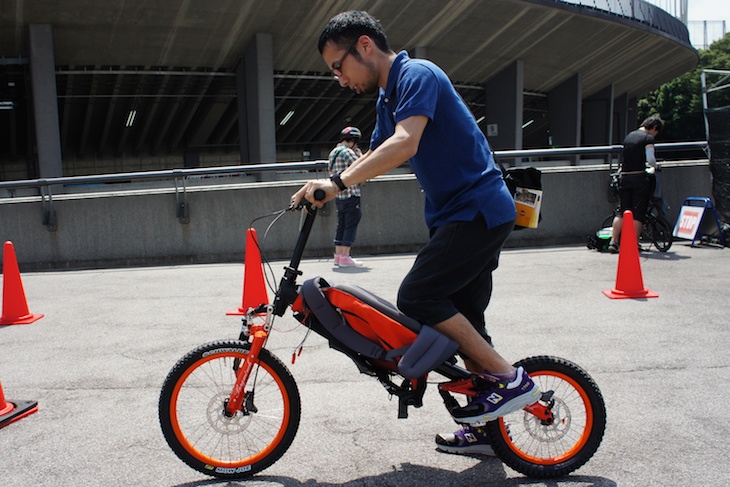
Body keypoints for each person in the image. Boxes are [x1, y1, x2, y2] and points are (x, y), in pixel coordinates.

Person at [291, 10, 540, 456]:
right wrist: (322, 184)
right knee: (466, 321)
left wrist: (339, 183)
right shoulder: (388, 98)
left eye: (337, 66)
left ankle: (510, 380)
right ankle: (490, 428)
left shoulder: (417, 74)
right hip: (457, 215)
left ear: (364, 46)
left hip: (477, 211)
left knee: (419, 297)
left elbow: (405, 144)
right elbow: (379, 153)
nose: (338, 79)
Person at [609, 115, 664, 253]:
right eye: (656, 132)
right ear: (655, 128)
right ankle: (632, 243)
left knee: (622, 211)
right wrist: (656, 166)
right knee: (638, 213)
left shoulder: (629, 136)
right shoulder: (648, 139)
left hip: (624, 177)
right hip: (638, 178)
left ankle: (614, 242)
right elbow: (650, 159)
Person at [329, 126, 364, 267]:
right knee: (351, 224)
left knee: (341, 224)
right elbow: (362, 167)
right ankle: (345, 256)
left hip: (339, 195)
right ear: (354, 141)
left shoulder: (333, 152)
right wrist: (360, 154)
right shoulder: (348, 153)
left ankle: (338, 256)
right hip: (351, 193)